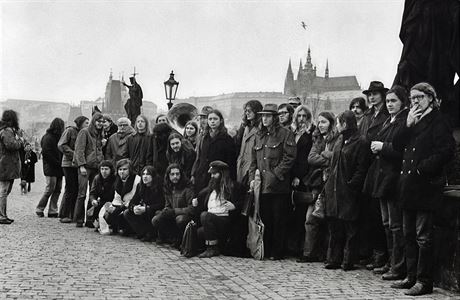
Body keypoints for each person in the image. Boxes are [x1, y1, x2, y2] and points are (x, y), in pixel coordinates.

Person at [391, 83, 455, 296]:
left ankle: (423, 281)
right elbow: (397, 145)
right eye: (412, 98)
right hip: (408, 187)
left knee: (423, 237)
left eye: (419, 97)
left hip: (426, 187)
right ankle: (410, 277)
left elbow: (446, 150)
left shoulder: (438, 120)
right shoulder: (412, 119)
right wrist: (407, 125)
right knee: (408, 234)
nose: (415, 101)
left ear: (430, 97)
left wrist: (423, 169)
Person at [362, 85, 409, 280]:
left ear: (402, 102)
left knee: (396, 225)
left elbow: (402, 150)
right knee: (387, 223)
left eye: (393, 101)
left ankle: (397, 266)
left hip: (393, 179)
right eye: (388, 101)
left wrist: (383, 147)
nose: (389, 104)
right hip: (382, 178)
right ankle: (391, 262)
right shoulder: (389, 121)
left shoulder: (404, 121)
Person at [249, 103, 297, 260]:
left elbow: (289, 157)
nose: (264, 119)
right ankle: (267, 249)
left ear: (275, 118)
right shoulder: (258, 135)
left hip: (278, 186)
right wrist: (252, 179)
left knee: (279, 219)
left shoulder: (285, 134)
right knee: (265, 218)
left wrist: (276, 174)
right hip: (262, 185)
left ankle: (278, 251)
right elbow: (253, 161)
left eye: (268, 116)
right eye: (263, 116)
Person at [323, 111, 370, 271]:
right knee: (335, 226)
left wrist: (352, 185)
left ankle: (348, 260)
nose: (336, 126)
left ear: (345, 124)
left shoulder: (361, 141)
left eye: (338, 123)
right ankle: (334, 259)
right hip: (335, 188)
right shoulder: (341, 140)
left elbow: (361, 168)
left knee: (351, 228)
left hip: (349, 191)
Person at [297, 111, 339, 263]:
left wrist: (328, 155)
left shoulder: (338, 138)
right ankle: (309, 253)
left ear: (331, 123)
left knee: (329, 220)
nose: (321, 125)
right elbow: (311, 158)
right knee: (311, 218)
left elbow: (338, 157)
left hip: (332, 185)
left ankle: (329, 255)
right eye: (319, 122)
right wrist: (328, 156)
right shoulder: (318, 139)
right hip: (317, 185)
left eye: (324, 122)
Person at [359, 80, 391, 271]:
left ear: (383, 95)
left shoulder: (386, 115)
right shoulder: (368, 115)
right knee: (370, 213)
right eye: (370, 94)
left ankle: (382, 255)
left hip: (379, 163)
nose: (372, 97)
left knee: (380, 215)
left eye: (375, 93)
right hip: (368, 166)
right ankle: (374, 252)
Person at [196, 161, 242, 258]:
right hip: (212, 222)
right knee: (199, 232)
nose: (212, 176)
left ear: (222, 174)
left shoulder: (233, 187)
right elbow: (201, 197)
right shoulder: (210, 189)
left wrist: (235, 206)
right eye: (211, 174)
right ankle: (214, 246)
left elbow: (243, 203)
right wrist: (196, 201)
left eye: (215, 174)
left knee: (205, 215)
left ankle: (212, 248)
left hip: (225, 221)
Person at [288, 105, 316, 255]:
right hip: (290, 173)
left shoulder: (311, 133)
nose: (301, 119)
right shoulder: (292, 132)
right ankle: (292, 245)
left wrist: (299, 176)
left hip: (303, 175)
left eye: (304, 116)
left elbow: (306, 158)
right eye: (299, 116)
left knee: (301, 212)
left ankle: (300, 247)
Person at [191, 109, 236, 194]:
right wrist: (194, 174)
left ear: (221, 121)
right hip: (202, 175)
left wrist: (229, 179)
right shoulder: (204, 138)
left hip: (218, 176)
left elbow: (231, 161)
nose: (212, 121)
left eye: (215, 119)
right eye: (210, 119)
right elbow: (199, 157)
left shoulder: (227, 139)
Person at [73, 113, 105, 227]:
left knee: (93, 194)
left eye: (102, 122)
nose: (100, 123)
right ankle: (79, 219)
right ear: (94, 121)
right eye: (98, 121)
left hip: (96, 167)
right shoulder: (85, 132)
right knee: (82, 194)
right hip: (85, 167)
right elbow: (79, 150)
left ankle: (90, 219)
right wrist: (81, 165)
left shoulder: (100, 134)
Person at [152, 164, 194, 246]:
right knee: (156, 219)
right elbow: (168, 205)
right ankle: (173, 237)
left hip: (185, 216)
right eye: (172, 174)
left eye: (177, 174)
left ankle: (182, 239)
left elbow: (192, 209)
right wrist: (165, 211)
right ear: (168, 176)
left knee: (180, 219)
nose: (175, 176)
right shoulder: (168, 187)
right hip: (173, 214)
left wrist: (174, 211)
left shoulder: (187, 188)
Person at [58, 115, 89, 223]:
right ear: (80, 123)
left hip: (76, 164)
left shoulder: (84, 133)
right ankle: (65, 214)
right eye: (86, 123)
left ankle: (71, 214)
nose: (88, 125)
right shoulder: (70, 131)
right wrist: (74, 154)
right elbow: (61, 145)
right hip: (68, 164)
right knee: (70, 189)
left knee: (75, 189)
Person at [124, 165, 164, 241]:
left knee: (157, 214)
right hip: (144, 211)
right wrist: (134, 208)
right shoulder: (140, 186)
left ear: (153, 176)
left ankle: (153, 234)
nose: (145, 177)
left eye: (148, 174)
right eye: (143, 174)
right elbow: (132, 202)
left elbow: (161, 204)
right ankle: (143, 233)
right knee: (127, 213)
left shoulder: (159, 186)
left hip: (154, 211)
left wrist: (146, 208)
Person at [36, 118, 65, 218]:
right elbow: (47, 153)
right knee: (50, 189)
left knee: (57, 189)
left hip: (58, 167)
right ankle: (40, 208)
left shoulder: (57, 137)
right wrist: (58, 163)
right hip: (51, 167)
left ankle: (52, 210)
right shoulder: (48, 137)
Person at [0, 110, 24, 224]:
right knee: (3, 191)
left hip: (6, 164)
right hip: (6, 165)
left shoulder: (5, 130)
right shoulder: (7, 131)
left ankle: (3, 214)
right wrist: (20, 140)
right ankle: (1, 216)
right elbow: (10, 145)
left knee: (5, 191)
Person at [104, 159, 141, 234]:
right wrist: (112, 207)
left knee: (126, 213)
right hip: (122, 205)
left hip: (133, 205)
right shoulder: (118, 180)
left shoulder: (137, 180)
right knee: (107, 214)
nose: (122, 172)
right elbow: (117, 198)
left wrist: (122, 207)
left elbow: (136, 197)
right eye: (120, 169)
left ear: (130, 170)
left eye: (125, 169)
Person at [235, 100, 263, 185]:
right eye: (246, 111)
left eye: (249, 111)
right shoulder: (245, 127)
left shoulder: (261, 128)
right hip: (241, 163)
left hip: (253, 166)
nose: (247, 113)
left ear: (256, 112)